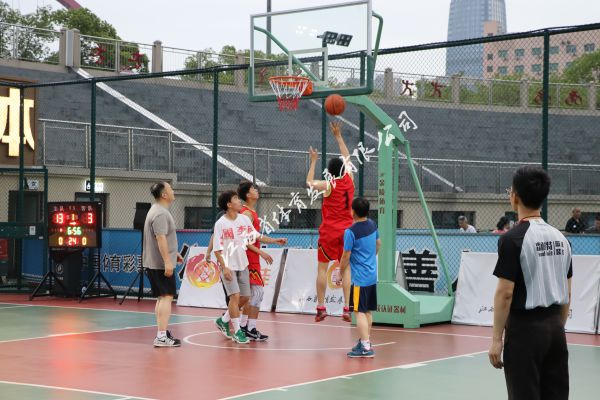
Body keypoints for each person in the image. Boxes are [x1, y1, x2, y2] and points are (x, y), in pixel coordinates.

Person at [489, 166, 572, 400]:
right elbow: (567, 292)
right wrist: (556, 327)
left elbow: (505, 293)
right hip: (556, 329)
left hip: (525, 331)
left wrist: (496, 339)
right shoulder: (562, 238)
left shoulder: (511, 239)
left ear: (515, 196)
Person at [213, 190, 286, 344]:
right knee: (235, 297)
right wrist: (224, 267)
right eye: (235, 199)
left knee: (245, 297)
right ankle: (238, 332)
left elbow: (256, 236)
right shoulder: (221, 224)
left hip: (243, 264)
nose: (239, 201)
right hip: (228, 266)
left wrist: (274, 240)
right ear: (229, 204)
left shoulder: (243, 220)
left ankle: (223, 320)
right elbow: (217, 249)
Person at [306, 121, 355, 322]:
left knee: (322, 269)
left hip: (329, 232)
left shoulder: (328, 185)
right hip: (347, 232)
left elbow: (309, 183)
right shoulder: (350, 180)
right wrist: (338, 137)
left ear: (330, 172)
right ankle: (346, 308)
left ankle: (321, 307)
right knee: (346, 269)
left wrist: (313, 161)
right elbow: (347, 156)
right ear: (344, 169)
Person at [238, 180, 287, 341]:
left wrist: (274, 241)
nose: (256, 190)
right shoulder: (246, 214)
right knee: (256, 293)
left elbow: (256, 236)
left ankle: (245, 326)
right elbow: (245, 240)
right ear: (247, 195)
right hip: (248, 259)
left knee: (253, 294)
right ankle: (246, 326)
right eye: (253, 189)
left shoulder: (250, 212)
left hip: (252, 258)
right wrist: (261, 252)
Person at [338, 198, 380, 358]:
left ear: (353, 212)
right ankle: (365, 340)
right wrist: (370, 258)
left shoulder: (350, 232)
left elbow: (345, 255)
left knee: (358, 311)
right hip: (372, 275)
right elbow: (378, 243)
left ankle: (366, 347)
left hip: (360, 279)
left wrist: (340, 273)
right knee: (367, 310)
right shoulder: (372, 225)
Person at [143, 181, 183, 347]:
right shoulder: (160, 213)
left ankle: (162, 333)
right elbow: (160, 238)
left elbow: (163, 238)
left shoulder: (157, 211)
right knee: (166, 297)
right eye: (170, 189)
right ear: (164, 195)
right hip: (160, 264)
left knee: (162, 297)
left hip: (155, 262)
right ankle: (161, 337)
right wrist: (167, 261)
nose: (173, 191)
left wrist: (174, 254)